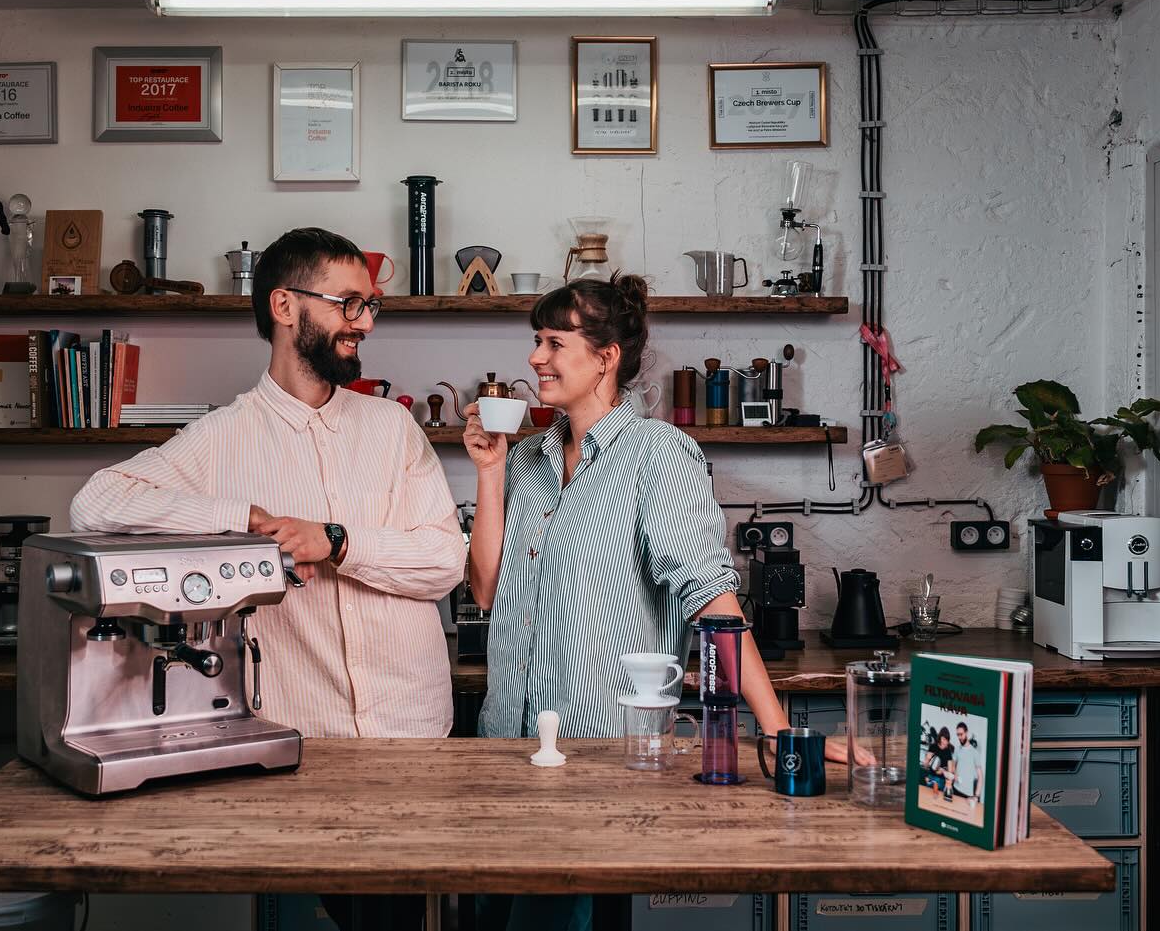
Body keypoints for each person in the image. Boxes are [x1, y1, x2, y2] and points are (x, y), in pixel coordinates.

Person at [70, 226, 465, 931]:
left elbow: (443, 561)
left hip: (413, 746)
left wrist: (337, 540)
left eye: (370, 305)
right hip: (300, 746)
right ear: (285, 305)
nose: (365, 322)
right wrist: (242, 519)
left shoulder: (392, 429)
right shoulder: (222, 438)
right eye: (349, 304)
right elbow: (96, 501)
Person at [461, 273, 845, 931]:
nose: (535, 357)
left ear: (605, 357)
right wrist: (490, 471)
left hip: (602, 764)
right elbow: (486, 588)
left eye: (554, 342)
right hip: (507, 753)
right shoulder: (525, 458)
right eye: (535, 340)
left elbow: (710, 598)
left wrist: (777, 728)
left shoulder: (659, 456)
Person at [952, 722, 982, 809]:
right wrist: (955, 774)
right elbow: (953, 765)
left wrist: (976, 796)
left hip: (967, 795)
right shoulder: (957, 749)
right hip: (955, 789)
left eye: (961, 734)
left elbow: (980, 776)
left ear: (966, 732)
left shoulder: (974, 753)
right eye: (957, 735)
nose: (959, 737)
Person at [922, 727, 954, 801]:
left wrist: (944, 771)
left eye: (947, 740)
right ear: (940, 738)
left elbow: (950, 772)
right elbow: (925, 765)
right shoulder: (933, 747)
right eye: (943, 739)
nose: (945, 742)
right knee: (929, 800)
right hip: (931, 778)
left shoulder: (948, 752)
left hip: (942, 781)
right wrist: (927, 759)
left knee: (940, 801)